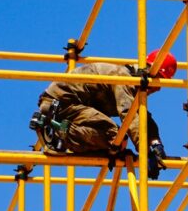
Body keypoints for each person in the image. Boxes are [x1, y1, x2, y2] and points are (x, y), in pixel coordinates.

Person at [31, 50, 176, 180]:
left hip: (63, 104)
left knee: (115, 147)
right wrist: (145, 151)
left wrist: (156, 144)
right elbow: (129, 114)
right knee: (114, 138)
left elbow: (141, 115)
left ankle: (60, 132)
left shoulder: (133, 84)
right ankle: (59, 134)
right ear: (149, 70)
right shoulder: (125, 78)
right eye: (159, 78)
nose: (158, 88)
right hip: (62, 103)